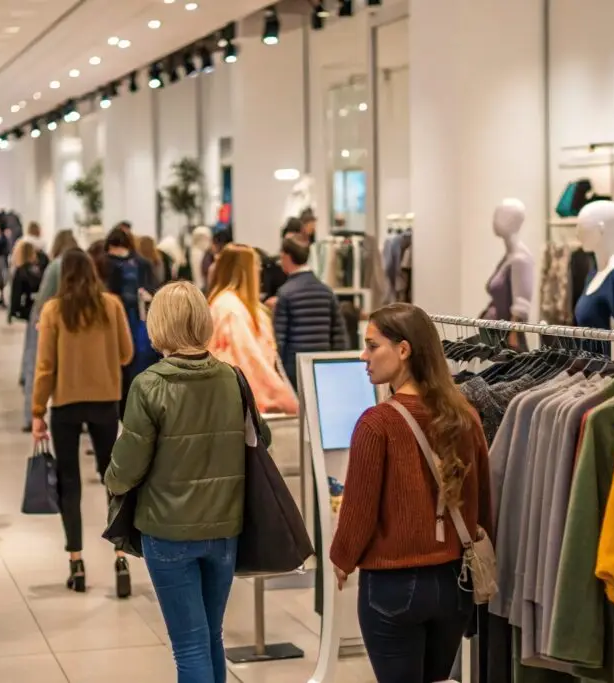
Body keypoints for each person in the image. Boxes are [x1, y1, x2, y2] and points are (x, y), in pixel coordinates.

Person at [105, 281, 270, 683]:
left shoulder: (148, 385)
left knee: (190, 646)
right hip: (225, 528)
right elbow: (260, 439)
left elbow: (126, 470)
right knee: (210, 636)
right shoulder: (232, 378)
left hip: (168, 531)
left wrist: (110, 477)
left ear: (159, 325)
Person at [329, 303, 492, 682]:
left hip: (392, 586)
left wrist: (342, 558)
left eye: (372, 346)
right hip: (454, 584)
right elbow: (482, 498)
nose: (363, 356)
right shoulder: (464, 415)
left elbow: (360, 508)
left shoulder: (377, 423)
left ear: (403, 350)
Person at [31, 249, 134, 596]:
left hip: (66, 406)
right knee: (112, 478)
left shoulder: (54, 311)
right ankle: (121, 555)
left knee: (69, 481)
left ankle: (76, 561)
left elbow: (45, 366)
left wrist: (36, 411)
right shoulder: (112, 306)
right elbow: (126, 353)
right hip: (106, 401)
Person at [207, 244, 298, 415]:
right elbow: (249, 359)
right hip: (243, 402)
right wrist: (279, 396)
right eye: (256, 265)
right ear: (245, 270)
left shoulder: (233, 306)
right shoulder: (231, 309)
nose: (259, 271)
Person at [19, 229, 78, 428]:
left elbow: (43, 298)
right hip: (76, 324)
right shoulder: (82, 264)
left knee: (37, 365)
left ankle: (31, 415)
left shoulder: (55, 266)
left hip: (49, 319)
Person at [273, 237, 348, 387]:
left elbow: (279, 339)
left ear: (287, 257)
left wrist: (277, 370)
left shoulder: (285, 293)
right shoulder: (326, 291)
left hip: (295, 367)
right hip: (323, 364)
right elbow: (339, 334)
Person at [105, 226, 158, 414]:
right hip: (132, 320)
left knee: (129, 362)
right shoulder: (140, 264)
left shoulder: (109, 263)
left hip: (131, 320)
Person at [9, 240, 43, 323]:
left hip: (24, 309)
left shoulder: (19, 271)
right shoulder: (38, 271)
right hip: (37, 307)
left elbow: (15, 294)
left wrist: (12, 311)